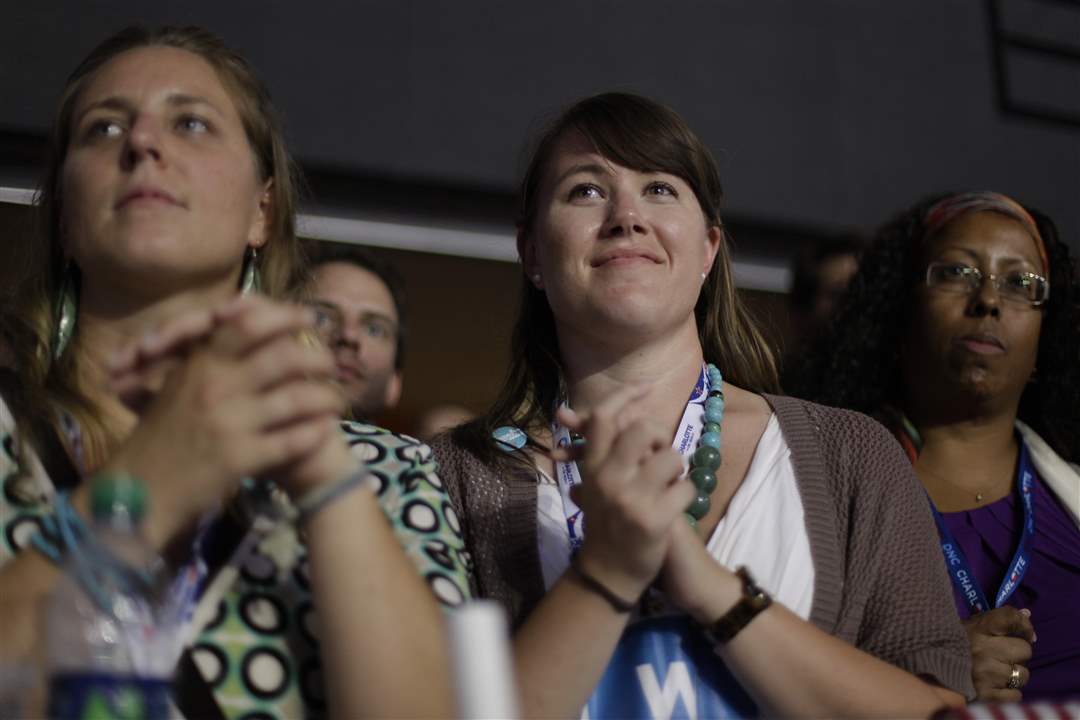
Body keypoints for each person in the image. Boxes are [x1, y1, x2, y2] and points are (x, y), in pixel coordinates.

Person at [433, 92, 973, 718]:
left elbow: (938, 710)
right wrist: (606, 573)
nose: (626, 218)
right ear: (531, 254)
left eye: (660, 189)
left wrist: (713, 590)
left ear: (709, 249)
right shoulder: (450, 477)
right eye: (585, 191)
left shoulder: (849, 455)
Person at [0, 26, 468, 719]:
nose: (143, 144)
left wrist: (325, 479)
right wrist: (150, 482)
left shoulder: (383, 466)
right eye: (103, 129)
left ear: (262, 209)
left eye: (190, 122)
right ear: (65, 217)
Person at [791, 191, 1080, 702]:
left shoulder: (1071, 494)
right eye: (956, 273)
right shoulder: (814, 484)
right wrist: (919, 672)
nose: (989, 299)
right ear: (897, 317)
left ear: (1045, 338)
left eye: (1020, 283)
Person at [306, 244, 406, 422]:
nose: (349, 335)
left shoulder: (422, 451)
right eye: (321, 318)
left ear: (395, 382)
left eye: (374, 330)